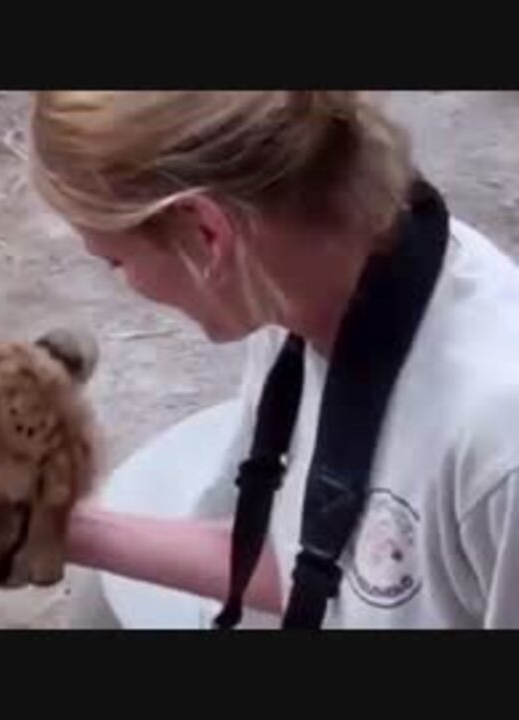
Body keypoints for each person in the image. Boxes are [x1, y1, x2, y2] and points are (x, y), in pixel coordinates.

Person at [29, 91, 519, 629]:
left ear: (206, 231)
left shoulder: (495, 444)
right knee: (96, 601)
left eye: (115, 261)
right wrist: (54, 529)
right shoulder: (302, 276)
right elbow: (305, 562)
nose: (128, 285)